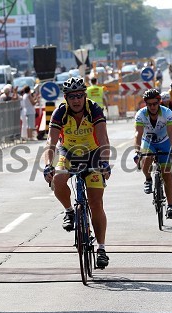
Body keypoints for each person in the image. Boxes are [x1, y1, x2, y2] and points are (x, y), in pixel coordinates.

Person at [43, 77, 111, 269]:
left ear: (85, 95)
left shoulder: (94, 110)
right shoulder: (60, 113)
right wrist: (48, 165)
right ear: (66, 98)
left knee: (96, 202)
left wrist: (105, 162)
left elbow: (103, 137)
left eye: (80, 95)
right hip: (69, 153)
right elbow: (51, 141)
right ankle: (69, 211)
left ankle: (101, 249)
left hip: (93, 154)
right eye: (72, 96)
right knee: (57, 178)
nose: (76, 100)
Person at [133, 89, 172, 219]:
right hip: (148, 141)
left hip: (164, 141)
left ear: (159, 102)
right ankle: (148, 179)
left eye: (154, 104)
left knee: (167, 175)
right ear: (146, 104)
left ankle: (170, 206)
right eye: (149, 104)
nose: (152, 107)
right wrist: (137, 150)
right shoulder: (141, 114)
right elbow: (138, 134)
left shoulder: (167, 113)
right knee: (147, 158)